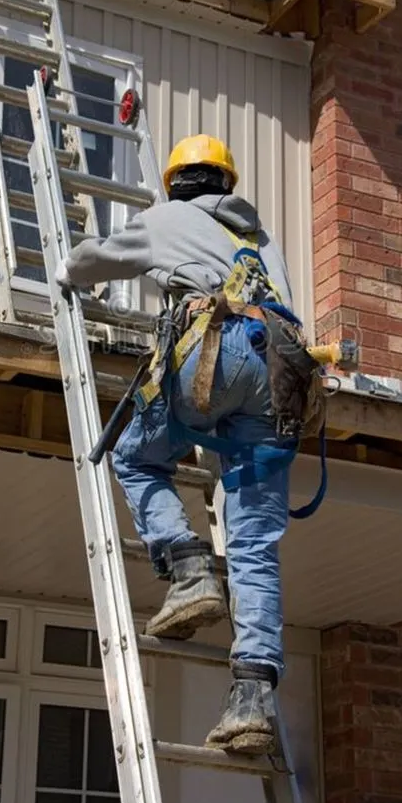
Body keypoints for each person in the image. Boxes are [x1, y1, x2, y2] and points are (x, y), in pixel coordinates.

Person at [56, 134, 321, 756]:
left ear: (175, 182)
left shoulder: (167, 218)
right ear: (226, 184)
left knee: (134, 454)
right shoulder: (259, 239)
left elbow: (87, 263)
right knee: (254, 542)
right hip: (280, 373)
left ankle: (189, 566)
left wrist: (67, 271)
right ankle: (252, 696)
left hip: (216, 355)